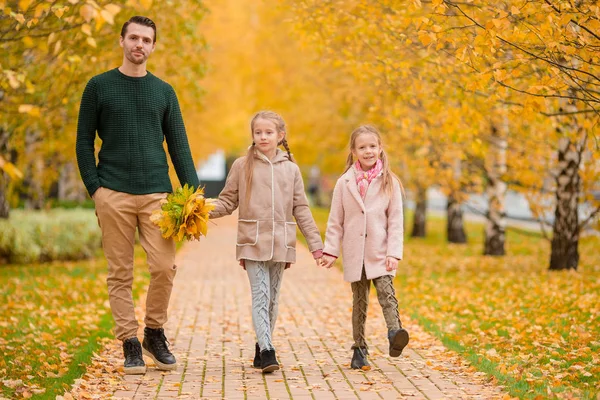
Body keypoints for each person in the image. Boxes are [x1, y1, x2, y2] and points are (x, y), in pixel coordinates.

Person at [76, 16, 200, 375]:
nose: (139, 45)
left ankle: (154, 332)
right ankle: (129, 342)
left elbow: (179, 146)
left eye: (146, 40)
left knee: (164, 267)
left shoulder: (163, 91)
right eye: (133, 38)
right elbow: (84, 141)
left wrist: (192, 196)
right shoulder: (98, 87)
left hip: (156, 196)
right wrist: (95, 189)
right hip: (111, 191)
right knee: (120, 272)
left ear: (153, 46)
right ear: (122, 41)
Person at [209, 110, 323, 373]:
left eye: (268, 132)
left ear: (280, 136)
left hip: (281, 244)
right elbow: (227, 202)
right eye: (258, 132)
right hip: (252, 241)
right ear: (252, 135)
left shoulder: (291, 169)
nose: (263, 137)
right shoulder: (242, 165)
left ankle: (261, 346)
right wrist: (198, 210)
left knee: (272, 298)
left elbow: (301, 208)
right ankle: (269, 351)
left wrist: (316, 246)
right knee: (260, 295)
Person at [320, 125, 409, 369]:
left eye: (372, 146)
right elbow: (335, 221)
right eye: (362, 147)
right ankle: (359, 349)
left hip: (380, 251)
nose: (368, 151)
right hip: (354, 252)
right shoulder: (344, 183)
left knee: (386, 293)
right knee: (359, 301)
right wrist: (330, 250)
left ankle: (395, 333)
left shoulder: (390, 182)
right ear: (354, 151)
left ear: (380, 149)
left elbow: (396, 221)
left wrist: (394, 253)